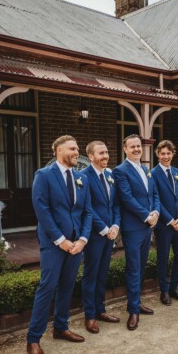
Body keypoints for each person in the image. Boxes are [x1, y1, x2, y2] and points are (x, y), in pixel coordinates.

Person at [27, 135, 92, 354]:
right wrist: (60, 240)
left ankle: (61, 327)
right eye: (73, 149)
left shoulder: (81, 178)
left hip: (76, 244)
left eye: (77, 148)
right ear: (58, 150)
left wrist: (82, 239)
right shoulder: (43, 175)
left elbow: (87, 212)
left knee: (67, 285)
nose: (77, 152)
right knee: (48, 286)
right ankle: (33, 339)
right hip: (54, 244)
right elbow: (41, 210)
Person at [113, 134, 160, 331]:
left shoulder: (146, 169)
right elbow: (126, 198)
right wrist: (146, 216)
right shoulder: (120, 171)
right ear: (125, 149)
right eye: (132, 146)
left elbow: (154, 194)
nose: (136, 149)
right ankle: (133, 310)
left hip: (147, 227)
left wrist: (156, 211)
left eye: (138, 146)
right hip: (133, 227)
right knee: (133, 268)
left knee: (141, 267)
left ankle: (137, 301)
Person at [81, 141, 120, 334]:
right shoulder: (84, 177)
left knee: (103, 273)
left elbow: (115, 205)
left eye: (106, 152)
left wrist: (115, 225)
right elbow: (87, 208)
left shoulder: (110, 175)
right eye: (101, 153)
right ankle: (89, 316)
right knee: (91, 274)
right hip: (95, 235)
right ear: (90, 156)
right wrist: (104, 229)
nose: (105, 156)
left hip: (110, 233)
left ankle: (100, 309)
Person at [151, 140, 178, 306]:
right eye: (163, 153)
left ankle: (174, 287)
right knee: (163, 258)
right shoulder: (153, 174)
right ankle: (164, 291)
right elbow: (156, 200)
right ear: (157, 154)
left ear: (173, 154)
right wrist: (170, 220)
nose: (166, 156)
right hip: (164, 225)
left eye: (168, 153)